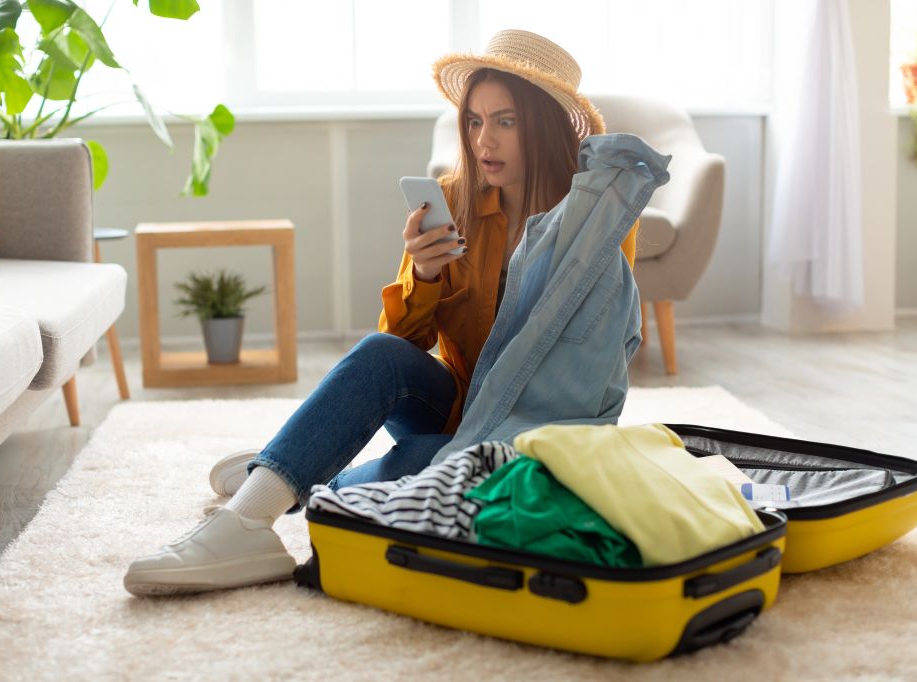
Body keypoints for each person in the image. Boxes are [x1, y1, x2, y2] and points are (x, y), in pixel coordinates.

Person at [123, 29, 639, 596]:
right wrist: (424, 275)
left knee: (423, 460)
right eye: (474, 120)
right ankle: (244, 524)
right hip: (456, 410)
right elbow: (397, 346)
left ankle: (281, 472)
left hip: (532, 433)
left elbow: (587, 356)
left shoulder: (599, 224)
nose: (483, 140)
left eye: (506, 121)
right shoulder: (454, 201)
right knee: (380, 358)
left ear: (542, 125)